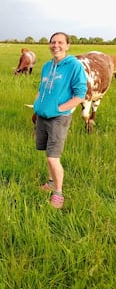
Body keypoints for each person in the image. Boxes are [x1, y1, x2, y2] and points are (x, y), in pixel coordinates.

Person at [33, 32, 87, 209]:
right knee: (46, 152)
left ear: (67, 45)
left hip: (58, 118)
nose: (56, 45)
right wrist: (37, 104)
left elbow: (80, 95)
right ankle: (49, 182)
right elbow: (42, 88)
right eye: (53, 42)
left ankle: (58, 193)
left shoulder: (73, 65)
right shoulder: (47, 66)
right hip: (42, 116)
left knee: (53, 158)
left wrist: (60, 109)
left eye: (60, 42)